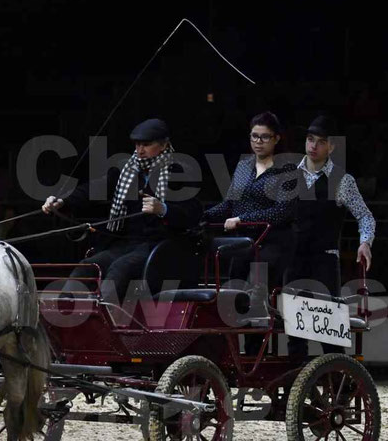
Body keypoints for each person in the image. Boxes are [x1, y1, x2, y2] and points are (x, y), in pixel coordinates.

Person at [42, 118, 203, 300]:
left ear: (164, 145)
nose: (139, 150)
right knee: (88, 267)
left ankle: (103, 317)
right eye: (137, 145)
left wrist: (163, 209)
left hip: (159, 245)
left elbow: (193, 213)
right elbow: (95, 188)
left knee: (121, 267)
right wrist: (63, 201)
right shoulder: (126, 170)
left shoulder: (180, 172)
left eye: (146, 145)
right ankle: (65, 309)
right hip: (127, 243)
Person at [202, 111, 298, 353]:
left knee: (256, 288)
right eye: (254, 136)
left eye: (264, 137)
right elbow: (229, 204)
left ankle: (257, 351)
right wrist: (203, 216)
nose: (258, 142)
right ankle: (233, 352)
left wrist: (242, 219)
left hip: (273, 242)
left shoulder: (287, 170)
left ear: (276, 139)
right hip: (243, 242)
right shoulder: (244, 166)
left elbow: (282, 212)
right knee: (231, 293)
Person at [287, 115, 376, 358]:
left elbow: (365, 217)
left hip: (325, 259)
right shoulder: (289, 176)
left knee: (329, 329)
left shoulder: (342, 180)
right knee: (295, 331)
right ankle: (295, 386)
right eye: (309, 139)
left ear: (331, 146)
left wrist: (364, 242)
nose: (313, 146)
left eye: (320, 141)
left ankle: (339, 382)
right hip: (293, 260)